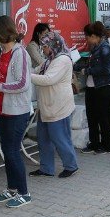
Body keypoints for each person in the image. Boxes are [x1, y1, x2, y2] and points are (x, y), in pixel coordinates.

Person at [0, 15, 33, 208]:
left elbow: (22, 84)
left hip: (18, 111)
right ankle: (11, 189)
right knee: (7, 151)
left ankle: (24, 193)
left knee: (12, 151)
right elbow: (4, 76)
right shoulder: (4, 53)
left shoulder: (20, 53)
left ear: (1, 33)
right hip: (3, 108)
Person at [28, 32, 78, 178]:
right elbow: (35, 71)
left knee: (60, 138)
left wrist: (25, 76)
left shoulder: (62, 60)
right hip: (47, 106)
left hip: (58, 106)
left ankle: (71, 166)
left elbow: (49, 79)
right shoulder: (50, 60)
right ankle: (46, 168)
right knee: (43, 138)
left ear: (52, 46)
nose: (42, 49)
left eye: (44, 46)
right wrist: (23, 71)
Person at [73, 21, 110, 154]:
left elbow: (106, 69)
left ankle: (106, 145)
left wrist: (88, 71)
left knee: (103, 117)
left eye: (87, 37)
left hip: (103, 87)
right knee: (91, 117)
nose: (87, 40)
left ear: (93, 36)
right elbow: (90, 63)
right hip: (92, 87)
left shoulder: (105, 48)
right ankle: (94, 143)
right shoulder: (95, 48)